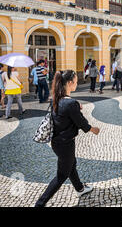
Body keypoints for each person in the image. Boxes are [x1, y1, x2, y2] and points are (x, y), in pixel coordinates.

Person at [35, 70, 100, 207]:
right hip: (65, 144)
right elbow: (81, 123)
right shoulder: (71, 104)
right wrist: (94, 129)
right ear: (70, 83)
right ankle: (40, 204)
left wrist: (77, 107)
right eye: (76, 82)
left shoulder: (57, 99)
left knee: (71, 164)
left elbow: (65, 114)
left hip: (57, 142)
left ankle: (80, 188)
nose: (76, 84)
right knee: (62, 175)